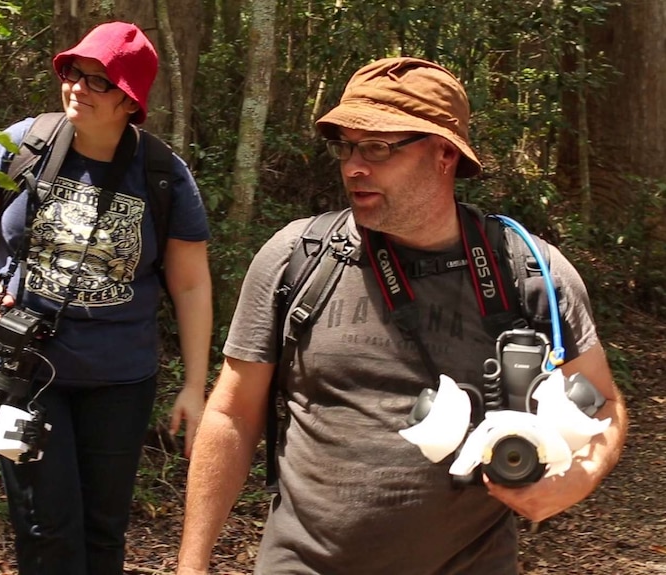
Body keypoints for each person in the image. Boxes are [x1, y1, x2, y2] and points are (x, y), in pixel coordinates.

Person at [176, 57, 627, 575]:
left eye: (378, 148)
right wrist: (192, 564)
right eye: (346, 146)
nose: (353, 166)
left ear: (444, 153)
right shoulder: (298, 258)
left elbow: (604, 402)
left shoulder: (525, 270)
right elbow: (233, 414)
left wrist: (578, 479)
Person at [0, 21, 212, 575]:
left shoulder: (164, 174)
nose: (78, 89)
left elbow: (190, 283)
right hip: (18, 367)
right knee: (48, 527)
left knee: (102, 530)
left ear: (130, 100)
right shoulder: (20, 142)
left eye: (99, 82)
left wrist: (195, 384)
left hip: (118, 381)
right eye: (74, 74)